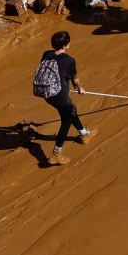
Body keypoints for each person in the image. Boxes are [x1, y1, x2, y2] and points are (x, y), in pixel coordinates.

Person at [37, 31, 90, 167]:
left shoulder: (46, 54)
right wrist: (80, 88)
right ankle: (56, 153)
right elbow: (75, 79)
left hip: (46, 93)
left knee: (71, 110)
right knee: (66, 121)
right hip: (59, 95)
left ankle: (84, 133)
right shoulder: (70, 60)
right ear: (66, 45)